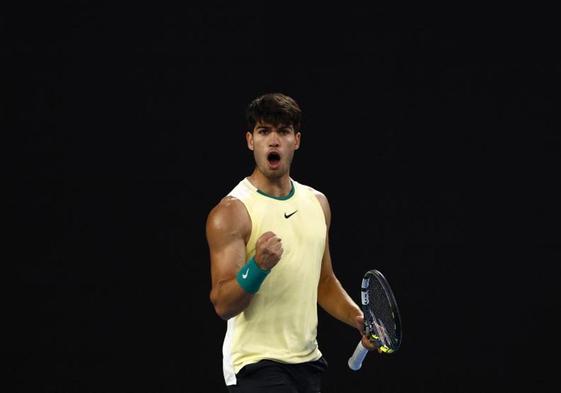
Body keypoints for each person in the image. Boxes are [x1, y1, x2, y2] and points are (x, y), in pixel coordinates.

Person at [205, 93, 377, 392]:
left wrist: (357, 318)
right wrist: (258, 266)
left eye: (282, 131)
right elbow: (223, 303)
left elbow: (322, 281)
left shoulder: (317, 203)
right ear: (250, 141)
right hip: (254, 364)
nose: (273, 141)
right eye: (264, 131)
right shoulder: (232, 212)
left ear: (296, 141)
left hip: (307, 362)